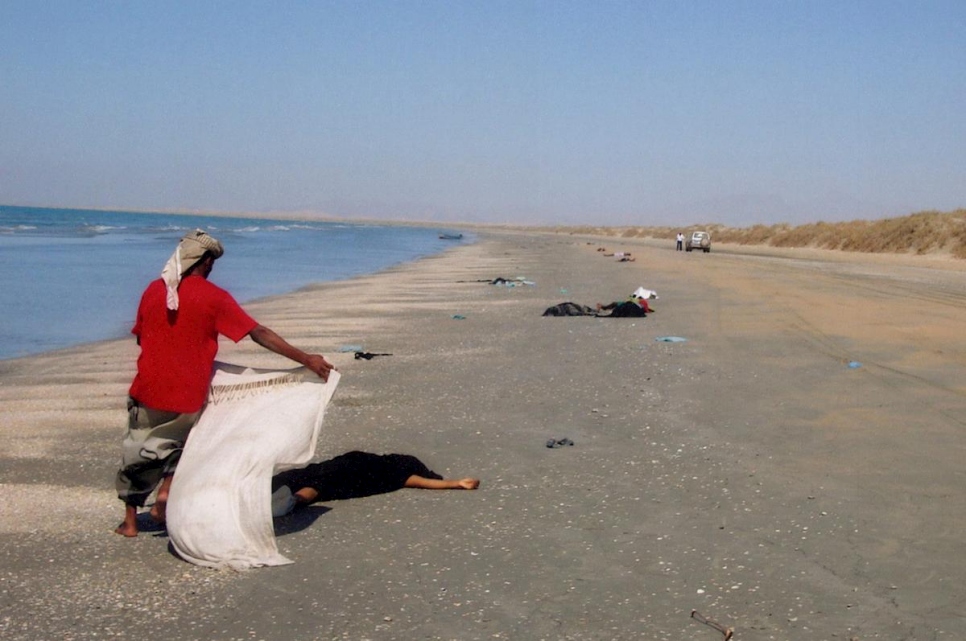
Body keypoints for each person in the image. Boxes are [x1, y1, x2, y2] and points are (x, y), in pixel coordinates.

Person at [114, 229, 335, 537]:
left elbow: (142, 335)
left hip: (148, 388)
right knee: (184, 445)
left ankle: (130, 522)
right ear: (201, 260)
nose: (213, 267)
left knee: (138, 453)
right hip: (191, 393)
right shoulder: (214, 297)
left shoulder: (153, 290)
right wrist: (304, 359)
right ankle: (164, 499)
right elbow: (258, 332)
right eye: (211, 261)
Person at [270, 451, 480, 516]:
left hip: (345, 462)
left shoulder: (386, 462)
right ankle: (292, 502)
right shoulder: (400, 474)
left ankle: (259, 490)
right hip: (350, 474)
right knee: (319, 486)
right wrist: (456, 483)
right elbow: (423, 482)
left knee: (309, 475)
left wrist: (456, 483)